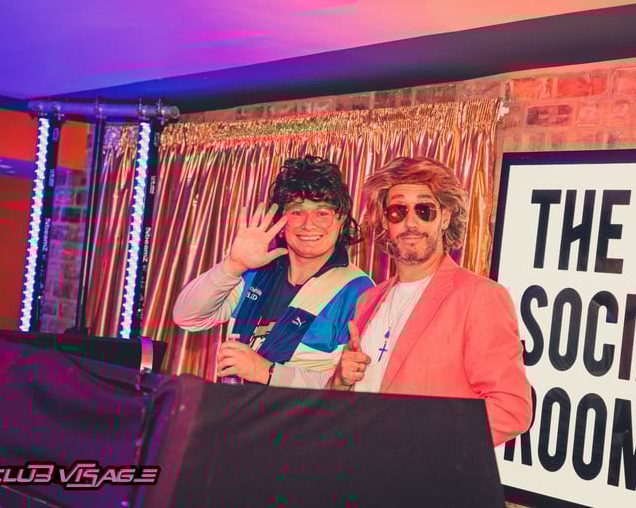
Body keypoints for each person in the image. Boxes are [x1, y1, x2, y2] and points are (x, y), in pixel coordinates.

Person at [330, 157, 532, 446]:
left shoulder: (479, 296)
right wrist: (340, 383)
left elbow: (510, 410)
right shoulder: (368, 300)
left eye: (424, 210)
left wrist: (418, 436)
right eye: (398, 211)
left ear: (445, 217)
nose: (411, 222)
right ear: (386, 221)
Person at [173, 156, 373, 389]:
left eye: (322, 213)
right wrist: (233, 265)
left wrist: (266, 371)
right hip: (239, 409)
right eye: (297, 212)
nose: (308, 224)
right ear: (281, 222)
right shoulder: (256, 273)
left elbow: (354, 385)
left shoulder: (358, 289)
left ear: (341, 221)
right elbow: (187, 317)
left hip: (301, 413)